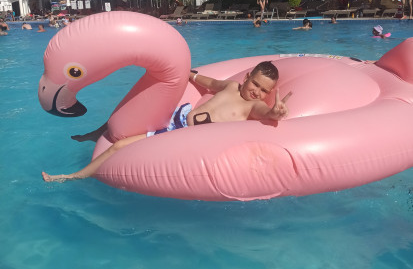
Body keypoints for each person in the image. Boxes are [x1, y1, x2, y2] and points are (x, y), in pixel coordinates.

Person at [42, 61, 292, 182]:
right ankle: (94, 138)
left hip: (182, 137)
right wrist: (189, 74)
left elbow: (265, 112)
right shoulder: (231, 86)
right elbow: (208, 82)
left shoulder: (252, 106)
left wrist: (275, 112)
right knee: (124, 126)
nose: (257, 92)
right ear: (247, 77)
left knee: (119, 146)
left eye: (264, 91)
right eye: (255, 84)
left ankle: (71, 176)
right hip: (176, 120)